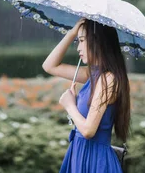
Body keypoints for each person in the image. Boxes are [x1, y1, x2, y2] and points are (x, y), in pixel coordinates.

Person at [42, 17, 131, 172]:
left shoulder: (107, 79)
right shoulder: (92, 75)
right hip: (79, 155)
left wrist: (70, 105)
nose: (78, 48)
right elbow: (49, 66)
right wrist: (72, 33)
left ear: (98, 42)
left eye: (82, 40)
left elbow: (89, 130)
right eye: (78, 41)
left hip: (95, 161)